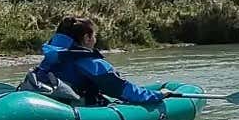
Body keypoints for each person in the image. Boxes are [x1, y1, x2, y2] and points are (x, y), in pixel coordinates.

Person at [28, 16, 170, 106]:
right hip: (72, 110)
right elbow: (124, 91)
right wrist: (159, 94)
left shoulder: (51, 56)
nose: (95, 40)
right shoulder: (93, 65)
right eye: (94, 36)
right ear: (87, 38)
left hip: (44, 102)